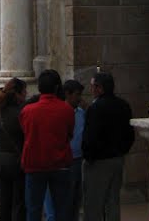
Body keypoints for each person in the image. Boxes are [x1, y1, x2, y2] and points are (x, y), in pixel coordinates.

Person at [19, 69, 74, 221]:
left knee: (34, 210)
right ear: (57, 88)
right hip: (60, 163)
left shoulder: (27, 111)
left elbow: (25, 132)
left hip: (34, 163)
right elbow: (69, 134)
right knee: (61, 208)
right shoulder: (67, 109)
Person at [81, 72, 134, 221]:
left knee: (93, 204)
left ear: (99, 88)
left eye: (93, 86)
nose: (91, 90)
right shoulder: (123, 105)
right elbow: (129, 134)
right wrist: (122, 151)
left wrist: (88, 156)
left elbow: (90, 137)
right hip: (117, 158)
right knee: (113, 201)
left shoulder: (96, 108)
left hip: (98, 161)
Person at [44, 79, 85, 221]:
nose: (80, 98)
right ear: (67, 94)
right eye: (77, 94)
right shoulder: (59, 112)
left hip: (78, 159)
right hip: (61, 161)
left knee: (74, 199)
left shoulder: (81, 113)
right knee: (58, 200)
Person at [0, 77, 27, 221]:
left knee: (4, 201)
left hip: (1, 160)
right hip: (16, 161)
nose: (26, 94)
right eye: (24, 91)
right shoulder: (21, 113)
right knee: (18, 203)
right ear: (17, 94)